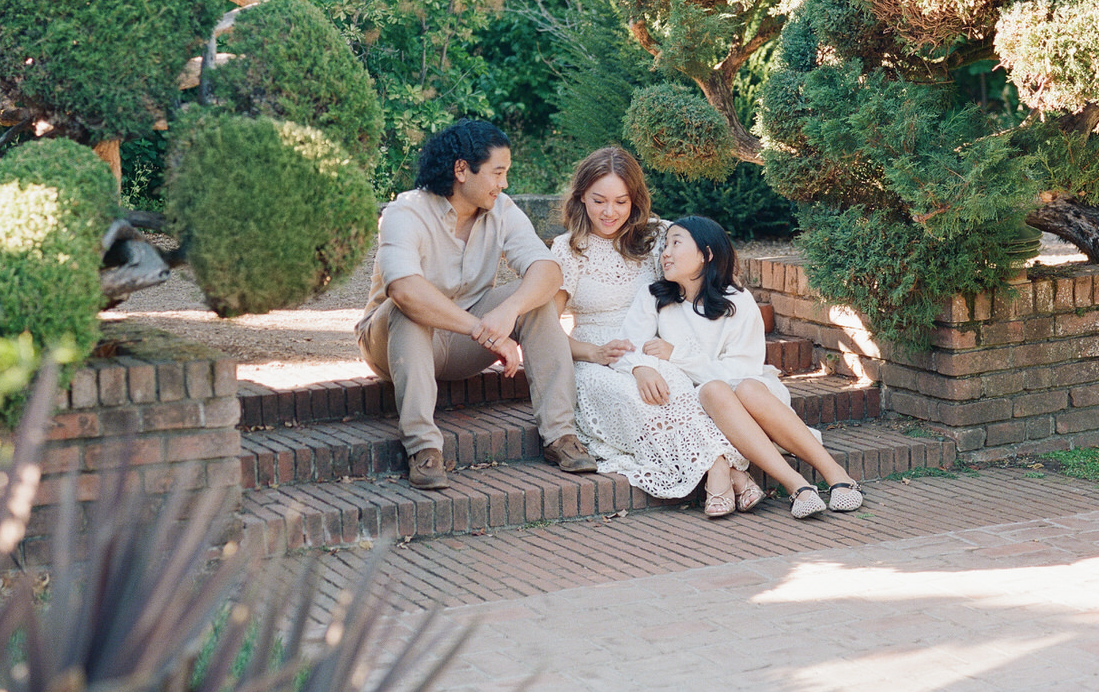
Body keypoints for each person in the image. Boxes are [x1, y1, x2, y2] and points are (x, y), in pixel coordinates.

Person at [356, 119, 596, 490]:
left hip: (464, 343)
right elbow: (404, 290)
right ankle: (423, 449)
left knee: (535, 299)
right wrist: (484, 330)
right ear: (462, 170)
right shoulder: (406, 212)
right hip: (392, 342)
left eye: (507, 173)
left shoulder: (502, 209)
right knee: (408, 307)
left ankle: (560, 436)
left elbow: (548, 270)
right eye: (498, 173)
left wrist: (509, 309)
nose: (504, 184)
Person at [550, 148, 756, 515]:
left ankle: (717, 469)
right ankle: (721, 470)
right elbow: (546, 331)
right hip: (596, 357)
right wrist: (592, 353)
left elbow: (703, 263)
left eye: (620, 201)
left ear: (635, 200)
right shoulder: (569, 249)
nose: (609, 212)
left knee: (677, 392)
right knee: (634, 399)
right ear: (581, 196)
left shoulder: (657, 236)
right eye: (598, 200)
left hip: (651, 347)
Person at [616, 215, 865, 517]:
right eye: (664, 245)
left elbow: (740, 372)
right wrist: (643, 367)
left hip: (752, 397)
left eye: (676, 243)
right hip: (695, 404)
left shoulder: (737, 300)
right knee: (713, 390)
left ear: (706, 254)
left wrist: (676, 354)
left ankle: (835, 473)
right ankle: (797, 485)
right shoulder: (654, 297)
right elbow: (629, 347)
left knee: (743, 387)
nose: (665, 253)